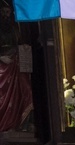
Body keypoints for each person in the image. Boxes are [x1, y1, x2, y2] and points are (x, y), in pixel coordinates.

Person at [0, 1, 33, 132]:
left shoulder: (14, 28)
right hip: (2, 67)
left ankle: (22, 124)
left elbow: (19, 42)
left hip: (15, 64)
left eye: (8, 12)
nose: (6, 15)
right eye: (3, 12)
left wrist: (23, 48)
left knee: (27, 91)